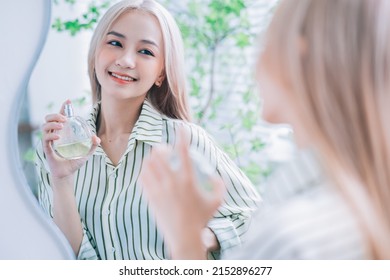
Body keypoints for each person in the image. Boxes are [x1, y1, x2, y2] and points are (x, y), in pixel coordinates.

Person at [140, 0, 390, 259]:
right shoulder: (364, 205)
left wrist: (185, 237)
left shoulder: (291, 240)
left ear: (295, 59)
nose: (254, 61)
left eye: (264, 41)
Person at [35, 0, 260, 260]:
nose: (126, 60)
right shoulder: (58, 149)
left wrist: (198, 237)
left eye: (146, 52)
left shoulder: (185, 142)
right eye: (115, 43)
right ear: (96, 51)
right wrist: (61, 180)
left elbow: (256, 221)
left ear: (161, 73)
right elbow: (65, 255)